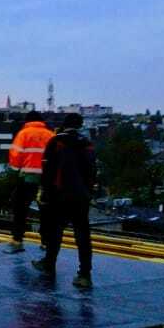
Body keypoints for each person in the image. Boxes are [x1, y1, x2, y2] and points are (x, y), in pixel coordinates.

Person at [33, 113, 97, 288]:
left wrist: (44, 192)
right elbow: (92, 171)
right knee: (83, 235)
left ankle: (48, 264)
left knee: (55, 232)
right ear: (81, 125)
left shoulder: (56, 142)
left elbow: (47, 171)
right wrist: (88, 193)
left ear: (64, 125)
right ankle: (85, 274)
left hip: (60, 195)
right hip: (82, 197)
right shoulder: (87, 143)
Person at [5, 112, 54, 253]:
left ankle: (17, 240)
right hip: (47, 179)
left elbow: (15, 154)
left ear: (27, 121)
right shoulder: (50, 135)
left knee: (20, 207)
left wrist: (15, 170)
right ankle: (46, 242)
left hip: (28, 177)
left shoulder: (24, 134)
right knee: (46, 210)